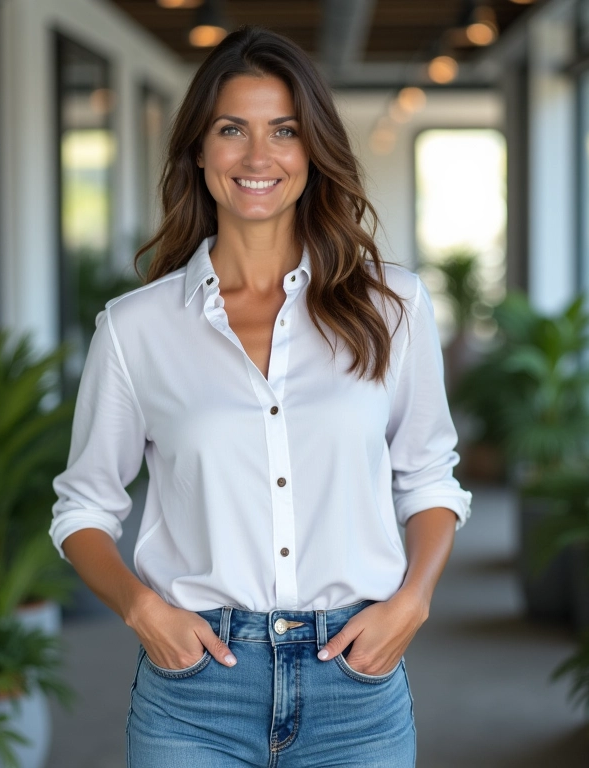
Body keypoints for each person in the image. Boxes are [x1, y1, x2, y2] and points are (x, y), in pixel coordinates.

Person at [50, 25, 471, 768]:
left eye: (284, 130)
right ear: (199, 151)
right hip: (197, 689)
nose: (257, 156)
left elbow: (429, 476)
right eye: (231, 130)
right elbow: (85, 506)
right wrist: (141, 608)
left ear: (313, 150)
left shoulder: (392, 306)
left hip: (356, 683)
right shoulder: (135, 328)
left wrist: (414, 600)